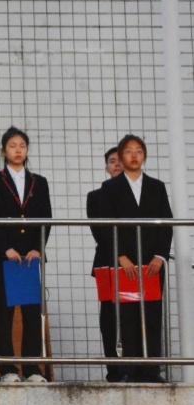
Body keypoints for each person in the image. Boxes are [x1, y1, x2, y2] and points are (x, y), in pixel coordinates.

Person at [98, 134, 173, 383]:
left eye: (139, 151)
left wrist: (160, 256)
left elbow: (166, 223)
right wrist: (120, 256)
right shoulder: (110, 188)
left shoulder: (156, 186)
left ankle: (151, 370)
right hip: (125, 263)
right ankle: (130, 370)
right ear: (121, 156)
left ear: (145, 156)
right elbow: (106, 226)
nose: (134, 155)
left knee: (152, 314)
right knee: (128, 315)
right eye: (129, 151)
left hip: (152, 263)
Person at [0, 127, 53, 383]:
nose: (18, 150)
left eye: (22, 145)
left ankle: (32, 368)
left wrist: (38, 247)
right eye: (12, 146)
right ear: (4, 151)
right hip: (5, 256)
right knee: (4, 314)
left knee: (32, 313)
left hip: (31, 257)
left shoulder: (39, 182)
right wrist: (6, 248)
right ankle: (8, 369)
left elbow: (46, 218)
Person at [86, 146, 125, 382]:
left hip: (137, 263)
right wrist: (122, 254)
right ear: (106, 167)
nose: (117, 164)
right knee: (109, 315)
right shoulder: (95, 196)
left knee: (134, 314)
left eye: (120, 160)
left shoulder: (138, 192)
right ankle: (114, 368)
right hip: (106, 262)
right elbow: (100, 232)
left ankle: (137, 367)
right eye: (112, 161)